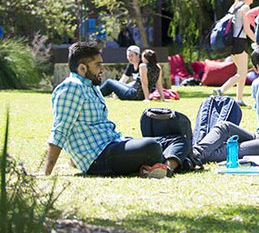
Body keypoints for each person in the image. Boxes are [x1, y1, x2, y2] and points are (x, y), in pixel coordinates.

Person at [44, 42, 188, 178]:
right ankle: (177, 162)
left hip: (114, 143)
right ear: (82, 68)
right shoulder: (71, 88)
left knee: (179, 139)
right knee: (152, 146)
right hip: (99, 158)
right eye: (98, 65)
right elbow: (61, 130)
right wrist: (47, 172)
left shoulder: (92, 86)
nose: (102, 69)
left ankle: (167, 167)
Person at [212, 0, 257, 107]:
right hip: (239, 42)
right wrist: (257, 41)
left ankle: (239, 99)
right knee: (242, 73)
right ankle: (221, 90)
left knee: (241, 71)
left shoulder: (234, 6)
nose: (252, 2)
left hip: (232, 42)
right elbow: (247, 30)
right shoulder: (245, 7)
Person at [100, 49, 165, 101]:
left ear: (145, 58)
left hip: (133, 94)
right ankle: (100, 95)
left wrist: (147, 99)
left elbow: (144, 83)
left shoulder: (143, 66)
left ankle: (95, 94)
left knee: (109, 82)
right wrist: (163, 98)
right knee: (114, 83)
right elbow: (158, 84)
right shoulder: (158, 67)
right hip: (137, 93)